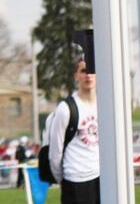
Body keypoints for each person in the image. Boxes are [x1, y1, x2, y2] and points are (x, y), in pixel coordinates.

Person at [48, 58, 99, 204]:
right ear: (76, 75)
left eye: (92, 71)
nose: (88, 75)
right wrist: (61, 177)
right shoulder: (65, 109)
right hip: (75, 179)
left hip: (101, 177)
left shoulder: (105, 103)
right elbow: (55, 150)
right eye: (83, 71)